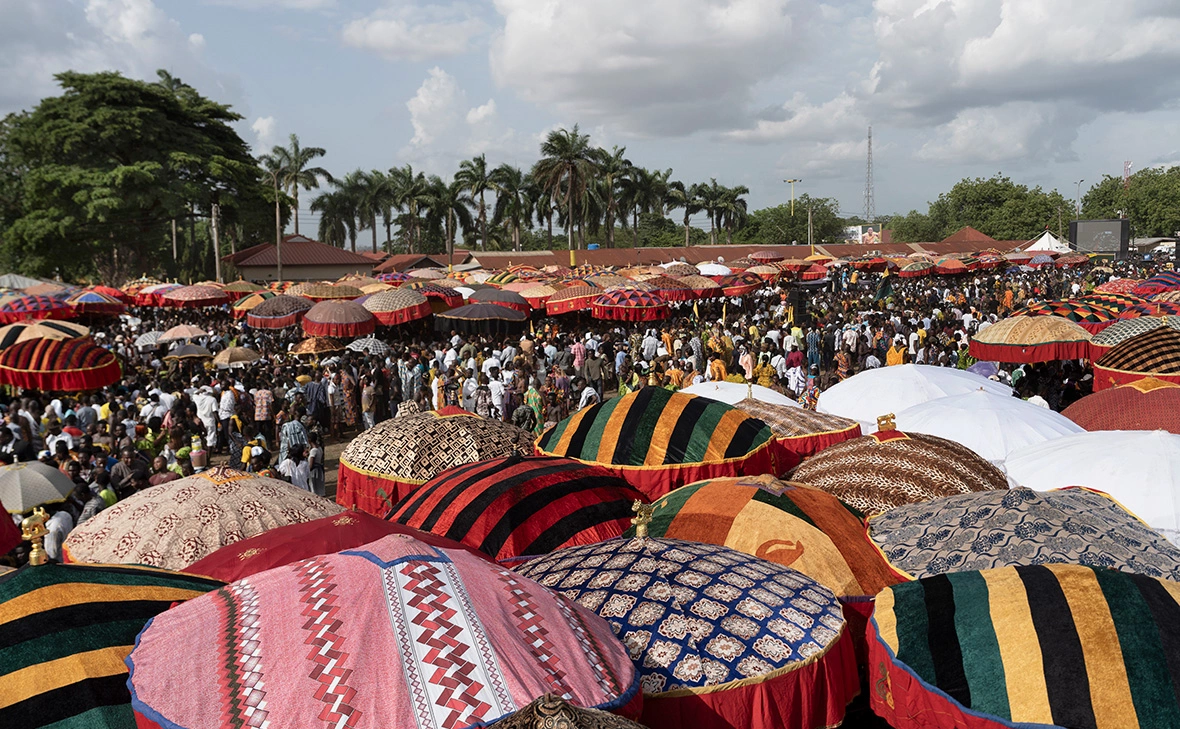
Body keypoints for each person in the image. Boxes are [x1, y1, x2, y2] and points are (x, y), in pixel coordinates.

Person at [307, 432, 325, 497]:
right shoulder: (319, 448)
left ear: (309, 440)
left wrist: (307, 472)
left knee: (313, 488)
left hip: (314, 471)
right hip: (319, 470)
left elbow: (311, 464)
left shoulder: (313, 451)